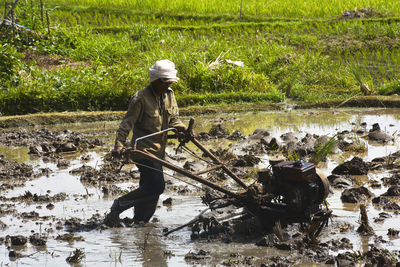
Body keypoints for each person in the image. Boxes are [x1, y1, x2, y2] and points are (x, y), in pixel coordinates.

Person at [103, 60, 186, 227]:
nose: (168, 84)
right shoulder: (140, 98)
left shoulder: (169, 95)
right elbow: (127, 124)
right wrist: (119, 144)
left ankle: (140, 223)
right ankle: (119, 204)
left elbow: (174, 119)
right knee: (156, 185)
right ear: (155, 80)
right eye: (165, 81)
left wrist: (183, 129)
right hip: (143, 151)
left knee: (150, 191)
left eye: (169, 81)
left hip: (158, 151)